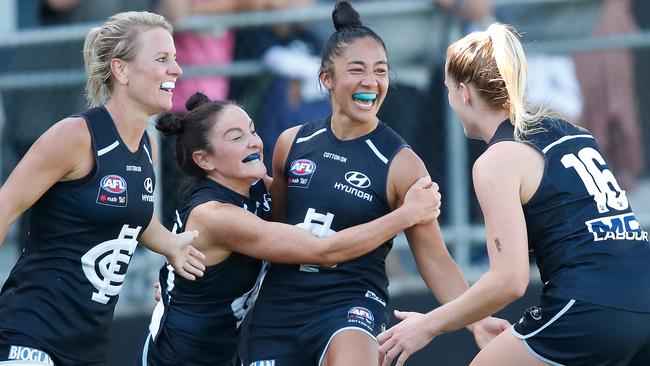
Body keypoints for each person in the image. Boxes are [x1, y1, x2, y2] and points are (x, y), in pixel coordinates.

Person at [245, 2, 509, 365]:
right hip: (281, 308)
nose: (371, 81)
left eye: (380, 71)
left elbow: (435, 258)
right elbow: (270, 235)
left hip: (351, 307)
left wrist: (476, 322)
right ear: (327, 78)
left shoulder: (402, 163)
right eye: (357, 70)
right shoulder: (291, 143)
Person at [377, 23, 650, 366]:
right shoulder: (573, 131)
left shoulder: (497, 160)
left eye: (448, 90)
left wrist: (428, 325)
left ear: (464, 94)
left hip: (591, 302)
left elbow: (510, 280)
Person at [137, 92, 441, 366]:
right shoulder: (216, 215)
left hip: (223, 353)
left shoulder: (252, 186)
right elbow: (323, 250)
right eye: (235, 137)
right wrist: (407, 214)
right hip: (178, 359)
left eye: (252, 131)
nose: (254, 142)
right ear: (204, 159)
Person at [0, 11, 206, 366]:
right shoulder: (76, 136)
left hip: (88, 348)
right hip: (30, 333)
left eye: (174, 58)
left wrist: (172, 245)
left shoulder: (146, 146)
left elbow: (131, 218)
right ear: (121, 70)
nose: (176, 69)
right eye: (162, 59)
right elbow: (5, 207)